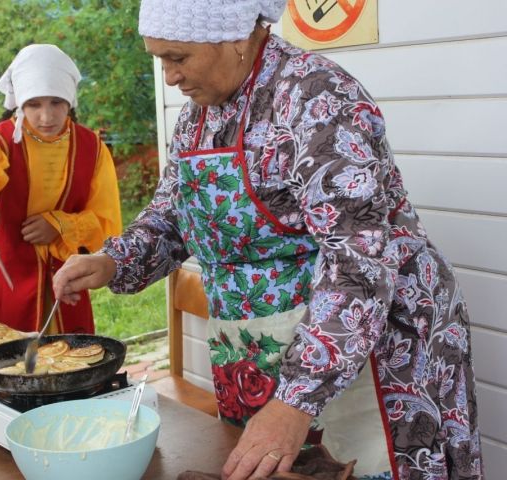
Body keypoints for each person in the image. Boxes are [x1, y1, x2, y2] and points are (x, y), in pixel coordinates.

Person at [52, 1, 483, 479]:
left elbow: (357, 263)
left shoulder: (318, 99)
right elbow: (175, 212)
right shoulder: (199, 116)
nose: (170, 77)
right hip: (257, 350)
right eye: (160, 60)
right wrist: (114, 261)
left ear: (235, 37)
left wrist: (294, 402)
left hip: (362, 346)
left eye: (178, 57)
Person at [0, 44, 122, 334]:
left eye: (56, 102)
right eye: (34, 105)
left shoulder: (92, 147)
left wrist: (60, 225)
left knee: (72, 356)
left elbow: (105, 220)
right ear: (19, 103)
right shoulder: (0, 141)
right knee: (6, 356)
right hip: (7, 284)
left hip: (66, 286)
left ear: (70, 100)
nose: (46, 117)